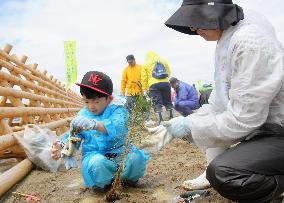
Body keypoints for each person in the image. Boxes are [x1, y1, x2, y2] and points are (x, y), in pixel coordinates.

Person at [141, 0, 284, 202]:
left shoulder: (249, 42)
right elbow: (219, 104)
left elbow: (243, 119)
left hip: (278, 130)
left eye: (196, 22)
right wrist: (178, 126)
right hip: (264, 129)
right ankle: (212, 169)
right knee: (209, 121)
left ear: (214, 12)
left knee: (225, 173)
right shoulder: (226, 38)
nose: (193, 29)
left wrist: (189, 125)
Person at [51, 71, 148, 190]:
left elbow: (119, 127)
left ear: (108, 99)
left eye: (96, 101)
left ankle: (129, 180)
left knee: (135, 158)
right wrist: (63, 147)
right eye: (86, 101)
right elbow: (74, 135)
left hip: (120, 152)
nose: (91, 106)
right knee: (97, 164)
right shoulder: (82, 115)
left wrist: (95, 125)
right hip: (94, 154)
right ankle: (102, 185)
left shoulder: (118, 110)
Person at [141, 51, 173, 124]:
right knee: (168, 101)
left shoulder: (145, 64)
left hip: (153, 85)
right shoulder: (163, 60)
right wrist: (164, 78)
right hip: (166, 83)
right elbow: (169, 72)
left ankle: (160, 121)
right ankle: (171, 118)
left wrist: (144, 89)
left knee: (157, 103)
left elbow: (144, 78)